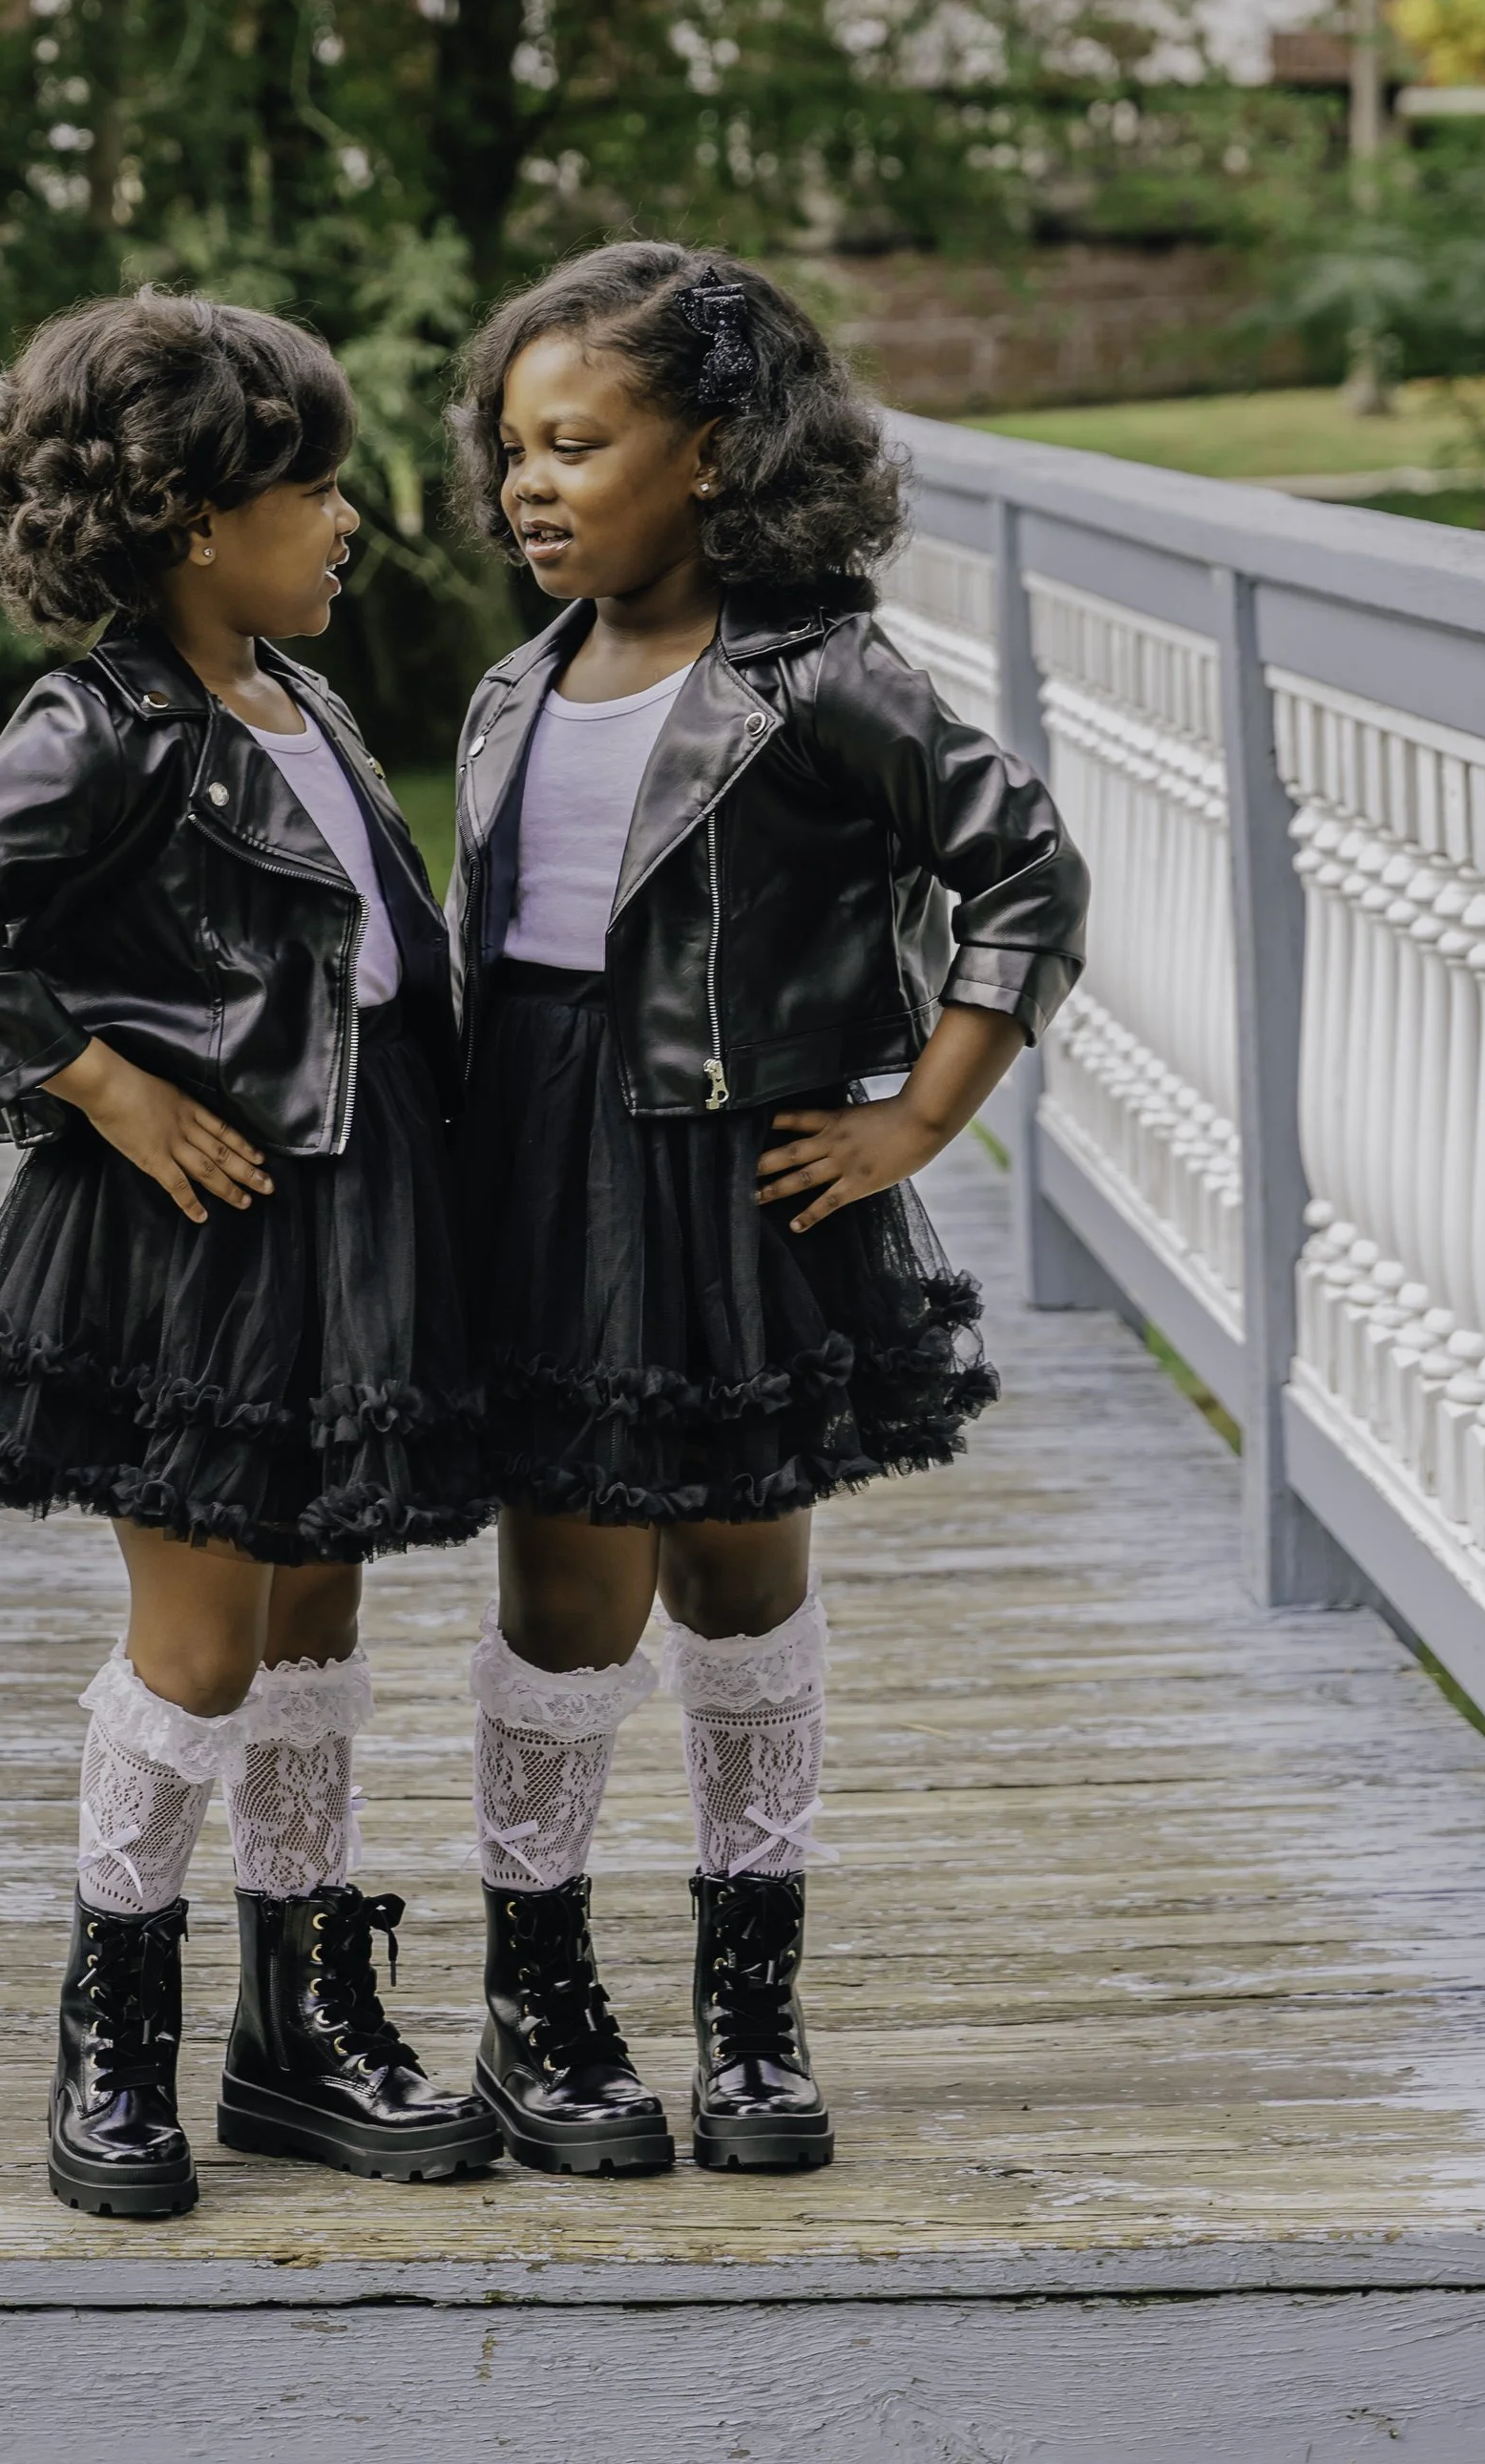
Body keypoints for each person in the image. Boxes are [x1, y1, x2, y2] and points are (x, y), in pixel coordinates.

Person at [0, 291, 497, 2221]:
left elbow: (377, 956)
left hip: (355, 1203)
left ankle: (296, 2023)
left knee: (315, 1615)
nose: (346, 516)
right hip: (201, 1234)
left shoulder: (305, 704)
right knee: (201, 1641)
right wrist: (101, 1088)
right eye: (310, 486)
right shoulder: (104, 724)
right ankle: (112, 2032)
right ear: (196, 520)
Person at [444, 241, 1087, 2180]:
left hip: (734, 1173)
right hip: (537, 1165)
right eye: (506, 454)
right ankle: (534, 2000)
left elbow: (1022, 875)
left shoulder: (819, 678)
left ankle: (749, 2008)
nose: (525, 486)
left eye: (574, 445)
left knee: (740, 1575)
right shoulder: (510, 685)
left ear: (713, 455)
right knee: (567, 1595)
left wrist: (914, 1124)